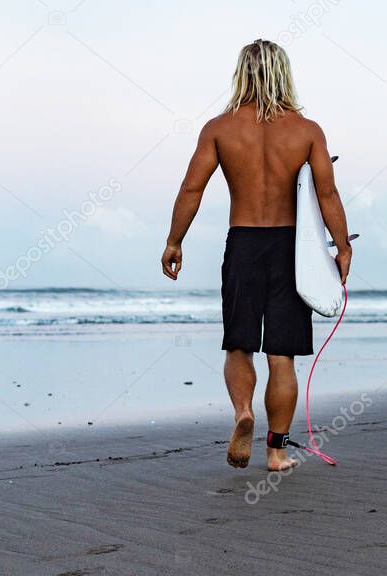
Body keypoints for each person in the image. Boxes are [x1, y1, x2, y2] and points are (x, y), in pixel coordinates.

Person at [160, 39, 352, 471]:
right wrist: (343, 246)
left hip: (243, 243)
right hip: (291, 249)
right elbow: (327, 194)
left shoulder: (219, 128)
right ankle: (277, 452)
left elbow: (192, 188)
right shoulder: (307, 131)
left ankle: (243, 412)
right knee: (281, 355)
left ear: (241, 74)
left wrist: (175, 241)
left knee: (239, 345)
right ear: (283, 72)